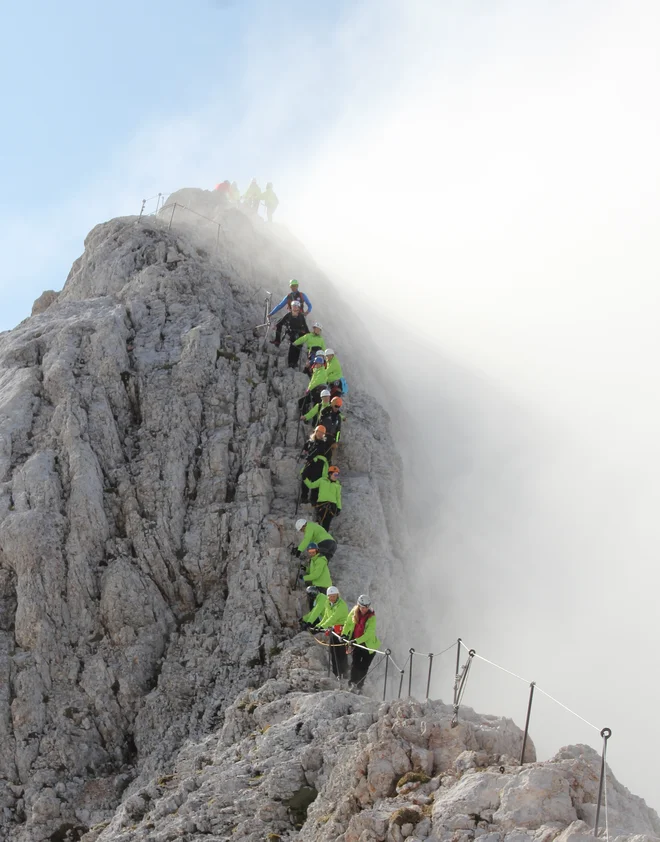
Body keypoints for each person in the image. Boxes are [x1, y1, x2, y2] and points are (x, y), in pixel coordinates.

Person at [342, 595, 382, 693]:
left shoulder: (372, 617)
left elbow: (369, 634)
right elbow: (348, 623)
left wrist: (355, 641)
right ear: (358, 605)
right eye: (362, 607)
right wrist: (344, 634)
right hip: (356, 643)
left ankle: (359, 686)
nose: (364, 609)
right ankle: (352, 683)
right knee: (355, 664)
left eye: (366, 607)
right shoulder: (354, 612)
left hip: (368, 646)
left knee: (364, 666)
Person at [316, 585, 349, 679]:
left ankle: (344, 672)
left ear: (337, 595)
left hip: (342, 630)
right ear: (328, 596)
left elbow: (333, 617)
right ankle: (336, 672)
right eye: (331, 596)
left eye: (334, 596)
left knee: (341, 651)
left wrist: (323, 626)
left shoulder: (341, 605)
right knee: (333, 651)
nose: (332, 598)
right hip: (333, 629)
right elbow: (326, 617)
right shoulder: (328, 604)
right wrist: (318, 626)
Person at [300, 425, 333, 504]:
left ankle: (313, 499)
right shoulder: (309, 442)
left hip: (319, 464)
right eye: (319, 432)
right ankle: (304, 497)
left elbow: (323, 453)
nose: (320, 434)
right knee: (305, 477)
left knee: (316, 480)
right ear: (315, 431)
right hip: (310, 463)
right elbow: (305, 450)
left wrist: (329, 466)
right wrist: (304, 454)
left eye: (322, 433)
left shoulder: (324, 444)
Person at [271, 300, 309, 367]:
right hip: (292, 332)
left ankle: (295, 362)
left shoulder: (301, 316)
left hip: (300, 333)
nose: (294, 308)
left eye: (296, 306)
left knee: (299, 347)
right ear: (291, 307)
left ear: (298, 308)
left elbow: (305, 326)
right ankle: (290, 362)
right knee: (293, 345)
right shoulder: (288, 315)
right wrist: (276, 326)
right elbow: (281, 322)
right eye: (293, 306)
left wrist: (309, 334)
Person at [305, 465, 342, 530]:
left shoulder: (338, 485)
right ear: (330, 474)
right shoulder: (322, 480)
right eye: (335, 474)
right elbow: (311, 485)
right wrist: (305, 479)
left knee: (326, 524)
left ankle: (324, 537)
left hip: (332, 506)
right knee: (319, 521)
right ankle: (318, 534)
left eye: (337, 475)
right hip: (322, 504)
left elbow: (338, 497)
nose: (336, 476)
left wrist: (339, 508)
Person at [300, 544, 331, 608]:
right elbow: (313, 571)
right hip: (318, 586)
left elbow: (316, 575)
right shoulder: (313, 560)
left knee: (320, 606)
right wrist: (305, 569)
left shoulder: (320, 560)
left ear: (317, 551)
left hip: (323, 587)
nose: (312, 553)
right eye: (310, 552)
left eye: (313, 551)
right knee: (314, 605)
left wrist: (304, 578)